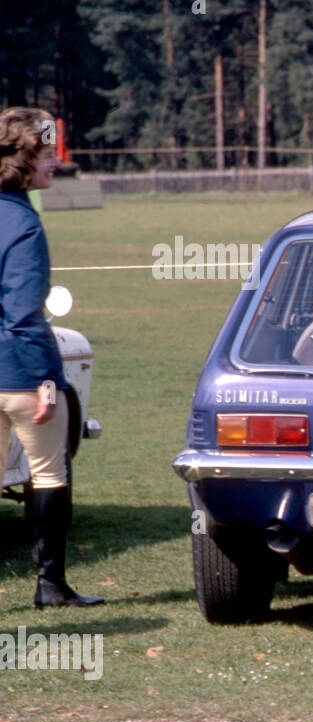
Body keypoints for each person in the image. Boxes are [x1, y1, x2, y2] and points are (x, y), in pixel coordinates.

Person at [0, 106, 103, 608]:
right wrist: (45, 377)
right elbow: (22, 311)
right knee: (48, 474)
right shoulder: (23, 223)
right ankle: (50, 584)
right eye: (47, 152)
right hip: (19, 372)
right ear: (22, 159)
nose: (57, 161)